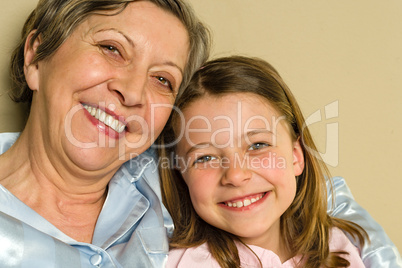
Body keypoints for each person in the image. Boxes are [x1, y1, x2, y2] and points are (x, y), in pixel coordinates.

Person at [0, 0, 210, 267]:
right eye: (111, 49)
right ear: (36, 58)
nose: (132, 92)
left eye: (162, 80)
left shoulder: (184, 187)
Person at [158, 56, 402, 267]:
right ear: (181, 174)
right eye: (206, 158)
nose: (235, 175)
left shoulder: (346, 245)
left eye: (258, 146)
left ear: (296, 156)